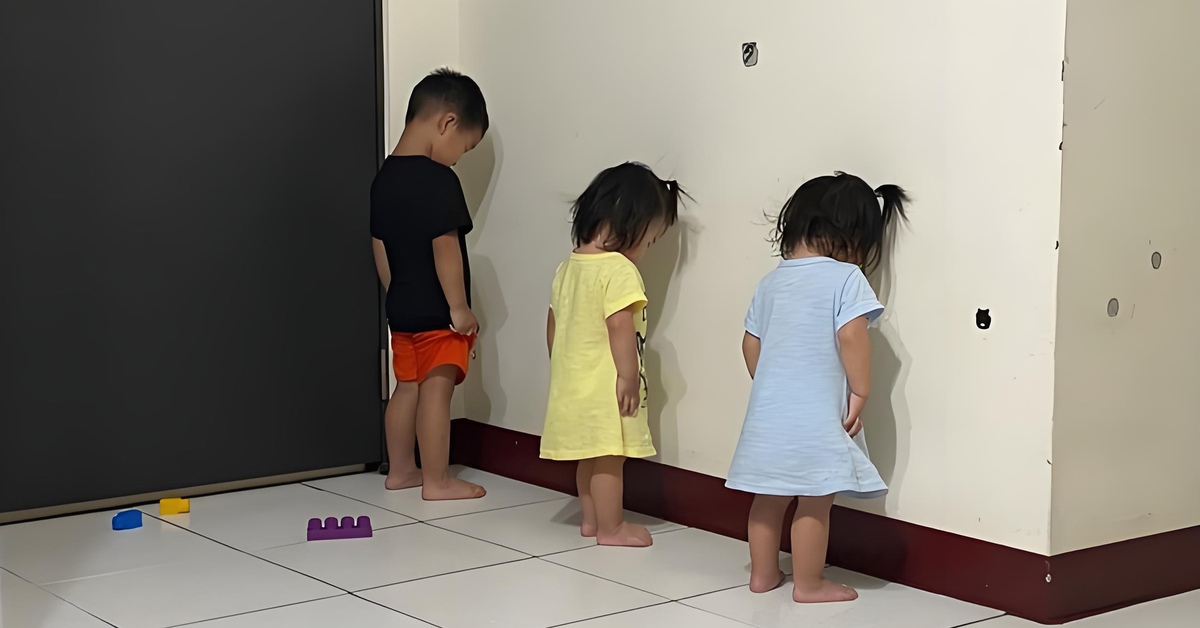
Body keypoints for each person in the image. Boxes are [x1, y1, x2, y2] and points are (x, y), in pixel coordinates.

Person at [727, 172, 908, 602]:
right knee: (814, 500)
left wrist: (771, 384)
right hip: (815, 419)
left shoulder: (771, 281)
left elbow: (750, 343)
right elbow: (852, 336)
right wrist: (860, 390)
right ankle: (808, 584)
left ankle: (762, 575)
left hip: (769, 416)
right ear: (855, 236)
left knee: (768, 498)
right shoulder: (846, 278)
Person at [541, 162, 686, 547]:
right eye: (649, 241)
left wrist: (562, 368)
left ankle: (590, 520)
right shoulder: (619, 270)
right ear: (630, 224)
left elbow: (553, 323)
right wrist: (627, 375)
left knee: (588, 456)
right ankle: (611, 527)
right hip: (606, 385)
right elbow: (620, 324)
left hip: (574, 384)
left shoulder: (567, 267)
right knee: (610, 458)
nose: (647, 251)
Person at [369, 68, 489, 501]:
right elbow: (445, 246)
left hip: (402, 307)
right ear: (447, 123)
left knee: (406, 388)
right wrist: (458, 307)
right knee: (436, 392)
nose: (458, 159)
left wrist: (396, 292)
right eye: (464, 148)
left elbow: (379, 245)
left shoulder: (383, 179)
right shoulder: (439, 180)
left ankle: (401, 471)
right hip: (439, 311)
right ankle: (438, 480)